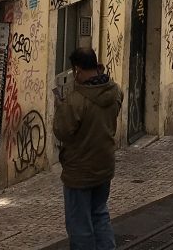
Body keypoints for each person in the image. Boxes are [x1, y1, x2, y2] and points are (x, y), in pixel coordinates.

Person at [54, 47, 123, 250]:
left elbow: (62, 131)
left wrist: (61, 107)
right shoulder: (115, 91)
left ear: (77, 70)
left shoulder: (77, 101)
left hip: (80, 171)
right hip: (104, 166)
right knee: (100, 214)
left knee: (79, 225)